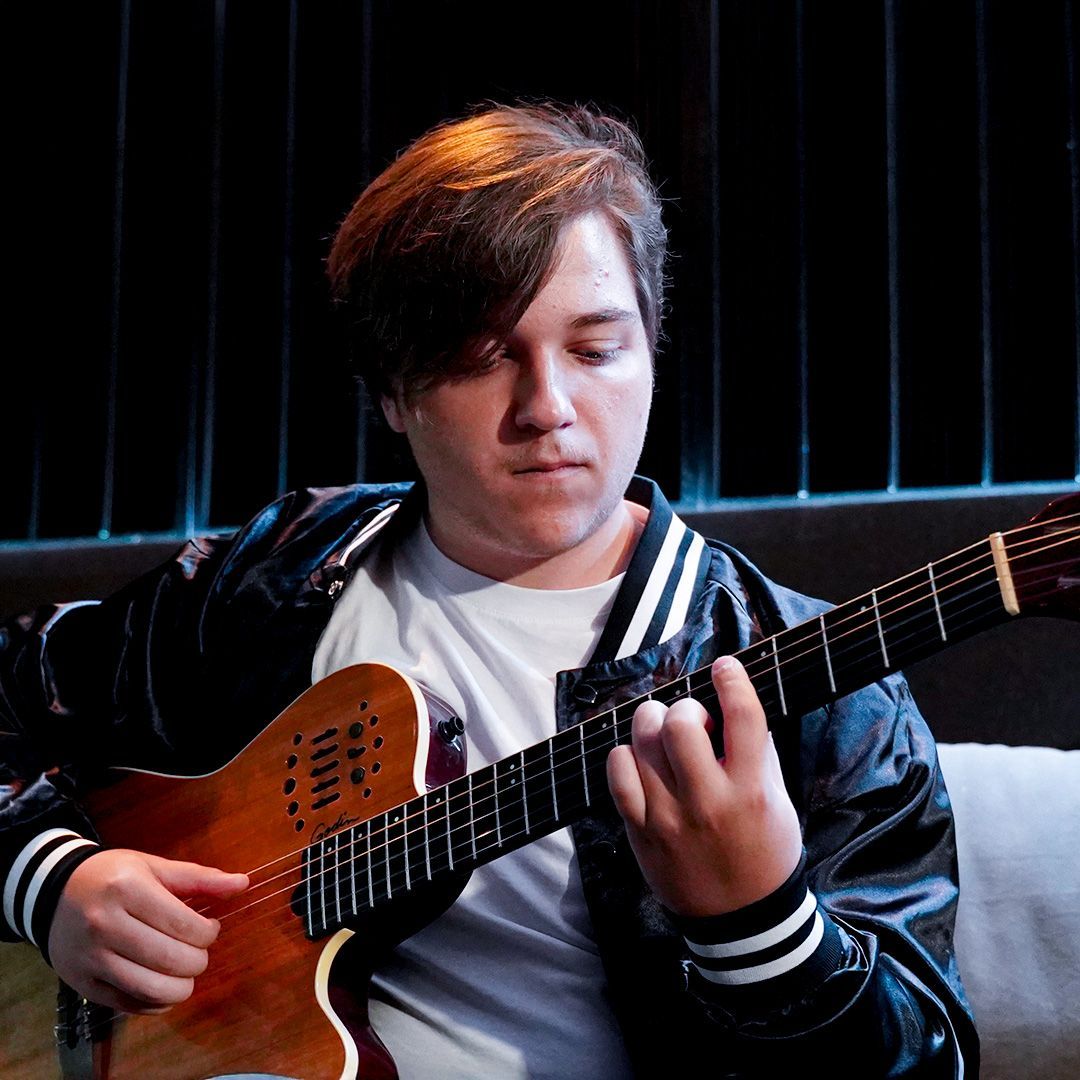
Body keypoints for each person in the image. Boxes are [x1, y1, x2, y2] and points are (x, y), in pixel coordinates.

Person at [0, 103, 977, 1077]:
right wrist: (52, 881)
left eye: (594, 350)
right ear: (391, 392)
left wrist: (762, 927)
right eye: (483, 357)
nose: (548, 408)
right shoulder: (279, 573)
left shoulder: (816, 687)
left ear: (650, 350)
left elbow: (926, 1062)